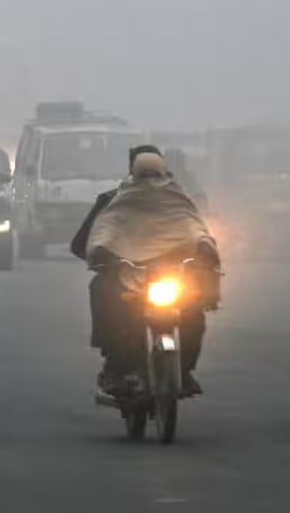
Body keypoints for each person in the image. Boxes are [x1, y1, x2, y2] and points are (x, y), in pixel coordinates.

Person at [72, 146, 219, 396]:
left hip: (171, 276)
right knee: (107, 297)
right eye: (146, 174)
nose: (152, 180)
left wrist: (204, 248)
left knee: (194, 311)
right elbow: (99, 235)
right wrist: (104, 254)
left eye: (156, 174)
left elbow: (194, 227)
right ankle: (116, 368)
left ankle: (184, 371)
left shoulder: (179, 197)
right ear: (133, 172)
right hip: (129, 274)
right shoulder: (114, 200)